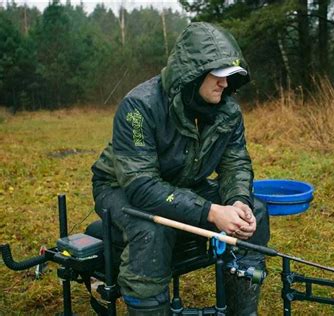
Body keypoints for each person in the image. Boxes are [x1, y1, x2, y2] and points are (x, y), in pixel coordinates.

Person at [91, 22, 270, 315]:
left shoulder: (228, 110)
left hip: (186, 184)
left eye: (231, 77)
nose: (225, 85)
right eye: (219, 76)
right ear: (193, 74)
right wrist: (212, 212)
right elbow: (140, 186)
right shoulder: (139, 107)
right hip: (121, 189)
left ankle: (242, 309)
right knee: (152, 230)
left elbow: (236, 162)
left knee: (257, 212)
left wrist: (238, 201)